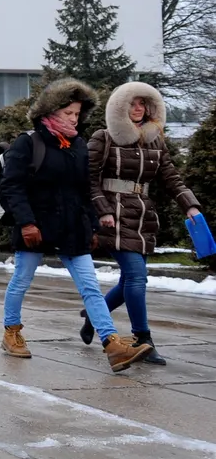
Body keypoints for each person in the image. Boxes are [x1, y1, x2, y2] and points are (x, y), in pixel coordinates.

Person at [0, 78, 152, 372]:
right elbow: (12, 187)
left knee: (91, 288)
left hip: (72, 226)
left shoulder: (78, 144)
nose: (74, 118)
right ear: (51, 111)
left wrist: (92, 225)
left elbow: (84, 190)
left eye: (77, 113)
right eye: (68, 112)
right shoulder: (29, 142)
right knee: (21, 280)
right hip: (36, 227)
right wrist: (27, 223)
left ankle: (112, 344)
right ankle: (11, 332)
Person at [84, 82, 201, 365]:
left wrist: (191, 206)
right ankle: (143, 339)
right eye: (133, 104)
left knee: (128, 280)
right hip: (112, 216)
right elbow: (87, 179)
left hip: (143, 217)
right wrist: (102, 211)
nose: (138, 109)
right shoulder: (104, 137)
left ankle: (94, 315)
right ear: (120, 107)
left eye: (143, 104)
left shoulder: (155, 140)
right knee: (136, 276)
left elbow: (171, 178)